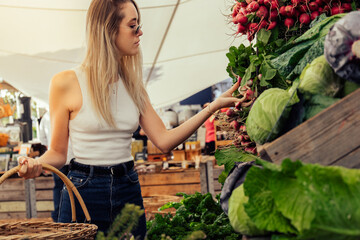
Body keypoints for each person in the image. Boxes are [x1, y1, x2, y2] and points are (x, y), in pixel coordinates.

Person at [17, 0, 241, 239]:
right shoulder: (65, 82)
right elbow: (59, 154)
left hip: (128, 187)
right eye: (133, 26)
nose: (140, 32)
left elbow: (164, 141)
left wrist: (213, 107)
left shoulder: (134, 86)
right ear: (108, 29)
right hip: (83, 191)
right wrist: (36, 164)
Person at [39, 111, 74, 222]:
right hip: (74, 158)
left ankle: (59, 217)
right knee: (74, 188)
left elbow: (43, 140)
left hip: (57, 160)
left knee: (59, 188)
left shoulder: (46, 116)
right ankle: (72, 217)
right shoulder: (71, 113)